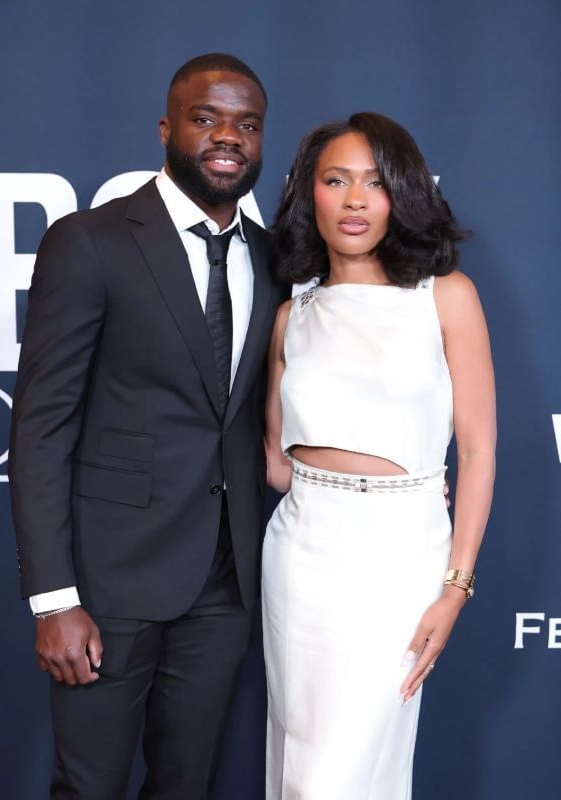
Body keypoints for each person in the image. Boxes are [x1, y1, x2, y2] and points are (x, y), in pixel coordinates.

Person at [9, 54, 285, 798]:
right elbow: (41, 427)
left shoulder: (272, 258)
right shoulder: (91, 241)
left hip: (224, 584)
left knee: (187, 784)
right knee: (89, 786)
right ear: (166, 130)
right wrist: (54, 599)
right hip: (108, 585)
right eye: (206, 118)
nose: (228, 137)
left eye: (247, 125)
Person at [262, 112, 495, 798]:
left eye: (375, 182)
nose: (356, 200)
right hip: (301, 553)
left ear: (403, 195)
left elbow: (478, 448)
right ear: (310, 194)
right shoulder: (293, 314)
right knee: (303, 765)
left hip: (401, 555)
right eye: (336, 181)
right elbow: (276, 464)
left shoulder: (446, 298)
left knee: (349, 772)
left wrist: (455, 588)